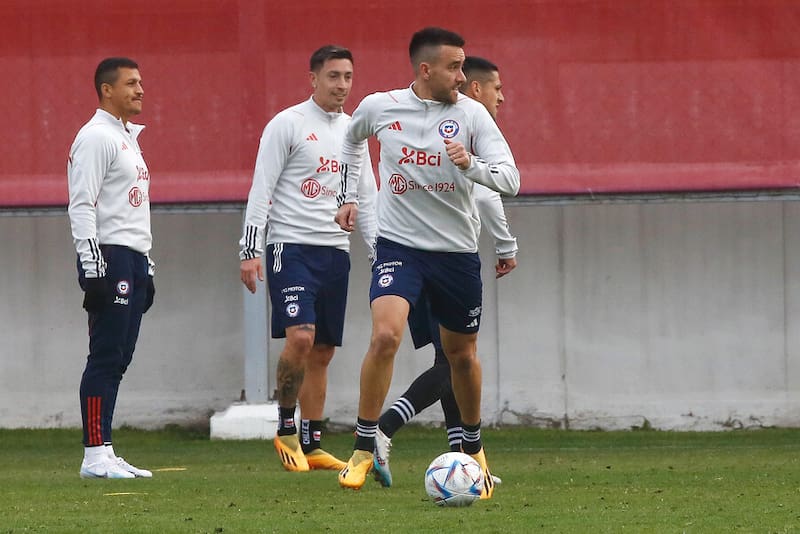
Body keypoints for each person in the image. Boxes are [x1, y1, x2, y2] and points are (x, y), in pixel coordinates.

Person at [335, 28, 520, 499]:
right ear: (425, 69)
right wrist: (347, 195)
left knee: (461, 356)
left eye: (463, 67)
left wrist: (471, 167)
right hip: (400, 248)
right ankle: (363, 446)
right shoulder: (380, 107)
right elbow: (351, 142)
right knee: (385, 335)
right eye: (454, 67)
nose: (463, 76)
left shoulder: (472, 115)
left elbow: (510, 179)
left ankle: (474, 451)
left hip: (457, 254)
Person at [239, 45, 376, 472]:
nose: (342, 85)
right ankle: (284, 429)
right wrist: (250, 251)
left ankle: (312, 442)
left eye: (348, 77)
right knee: (299, 337)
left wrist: (379, 255)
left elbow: (367, 197)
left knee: (322, 351)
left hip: (335, 252)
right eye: (333, 76)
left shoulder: (355, 130)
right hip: (290, 247)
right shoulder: (288, 123)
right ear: (313, 79)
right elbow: (262, 187)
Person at [67, 57, 155, 479]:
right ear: (106, 90)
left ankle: (106, 448)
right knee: (104, 355)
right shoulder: (95, 137)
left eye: (141, 83)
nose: (140, 90)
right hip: (110, 256)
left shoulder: (127, 139)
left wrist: (148, 266)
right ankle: (93, 455)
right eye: (131, 83)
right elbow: (82, 204)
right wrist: (92, 266)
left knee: (120, 356)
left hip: (133, 258)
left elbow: (132, 210)